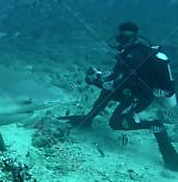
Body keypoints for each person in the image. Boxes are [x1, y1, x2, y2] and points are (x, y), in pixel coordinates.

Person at [59, 22, 178, 171]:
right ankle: (87, 120)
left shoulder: (134, 55)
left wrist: (98, 81)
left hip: (140, 98)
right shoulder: (126, 54)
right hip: (129, 92)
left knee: (115, 123)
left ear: (135, 38)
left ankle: (156, 126)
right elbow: (113, 79)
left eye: (128, 37)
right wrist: (95, 78)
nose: (124, 41)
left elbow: (119, 82)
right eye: (122, 37)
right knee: (107, 92)